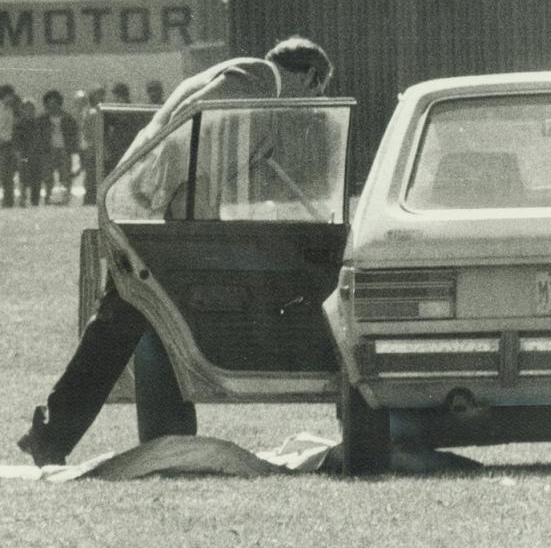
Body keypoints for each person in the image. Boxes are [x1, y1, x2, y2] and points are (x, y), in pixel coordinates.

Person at [16, 37, 335, 466]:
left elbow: (211, 150)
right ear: (310, 76)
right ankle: (54, 436)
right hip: (155, 219)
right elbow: (192, 127)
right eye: (317, 94)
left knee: (139, 322)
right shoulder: (255, 76)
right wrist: (194, 219)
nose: (311, 105)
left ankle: (142, 434)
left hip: (158, 216)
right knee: (121, 324)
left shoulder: (251, 82)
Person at [38, 90, 81, 204]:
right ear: (46, 104)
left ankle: (65, 198)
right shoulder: (42, 119)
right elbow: (38, 135)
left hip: (64, 150)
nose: (52, 106)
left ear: (59, 103)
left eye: (55, 103)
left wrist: (74, 151)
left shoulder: (68, 118)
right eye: (50, 103)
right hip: (48, 150)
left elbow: (74, 134)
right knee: (48, 177)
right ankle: (48, 198)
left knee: (65, 176)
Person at [0, 85, 17, 208]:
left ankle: (8, 202)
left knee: (8, 175)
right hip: (2, 144)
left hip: (10, 146)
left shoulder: (13, 109)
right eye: (9, 95)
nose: (11, 98)